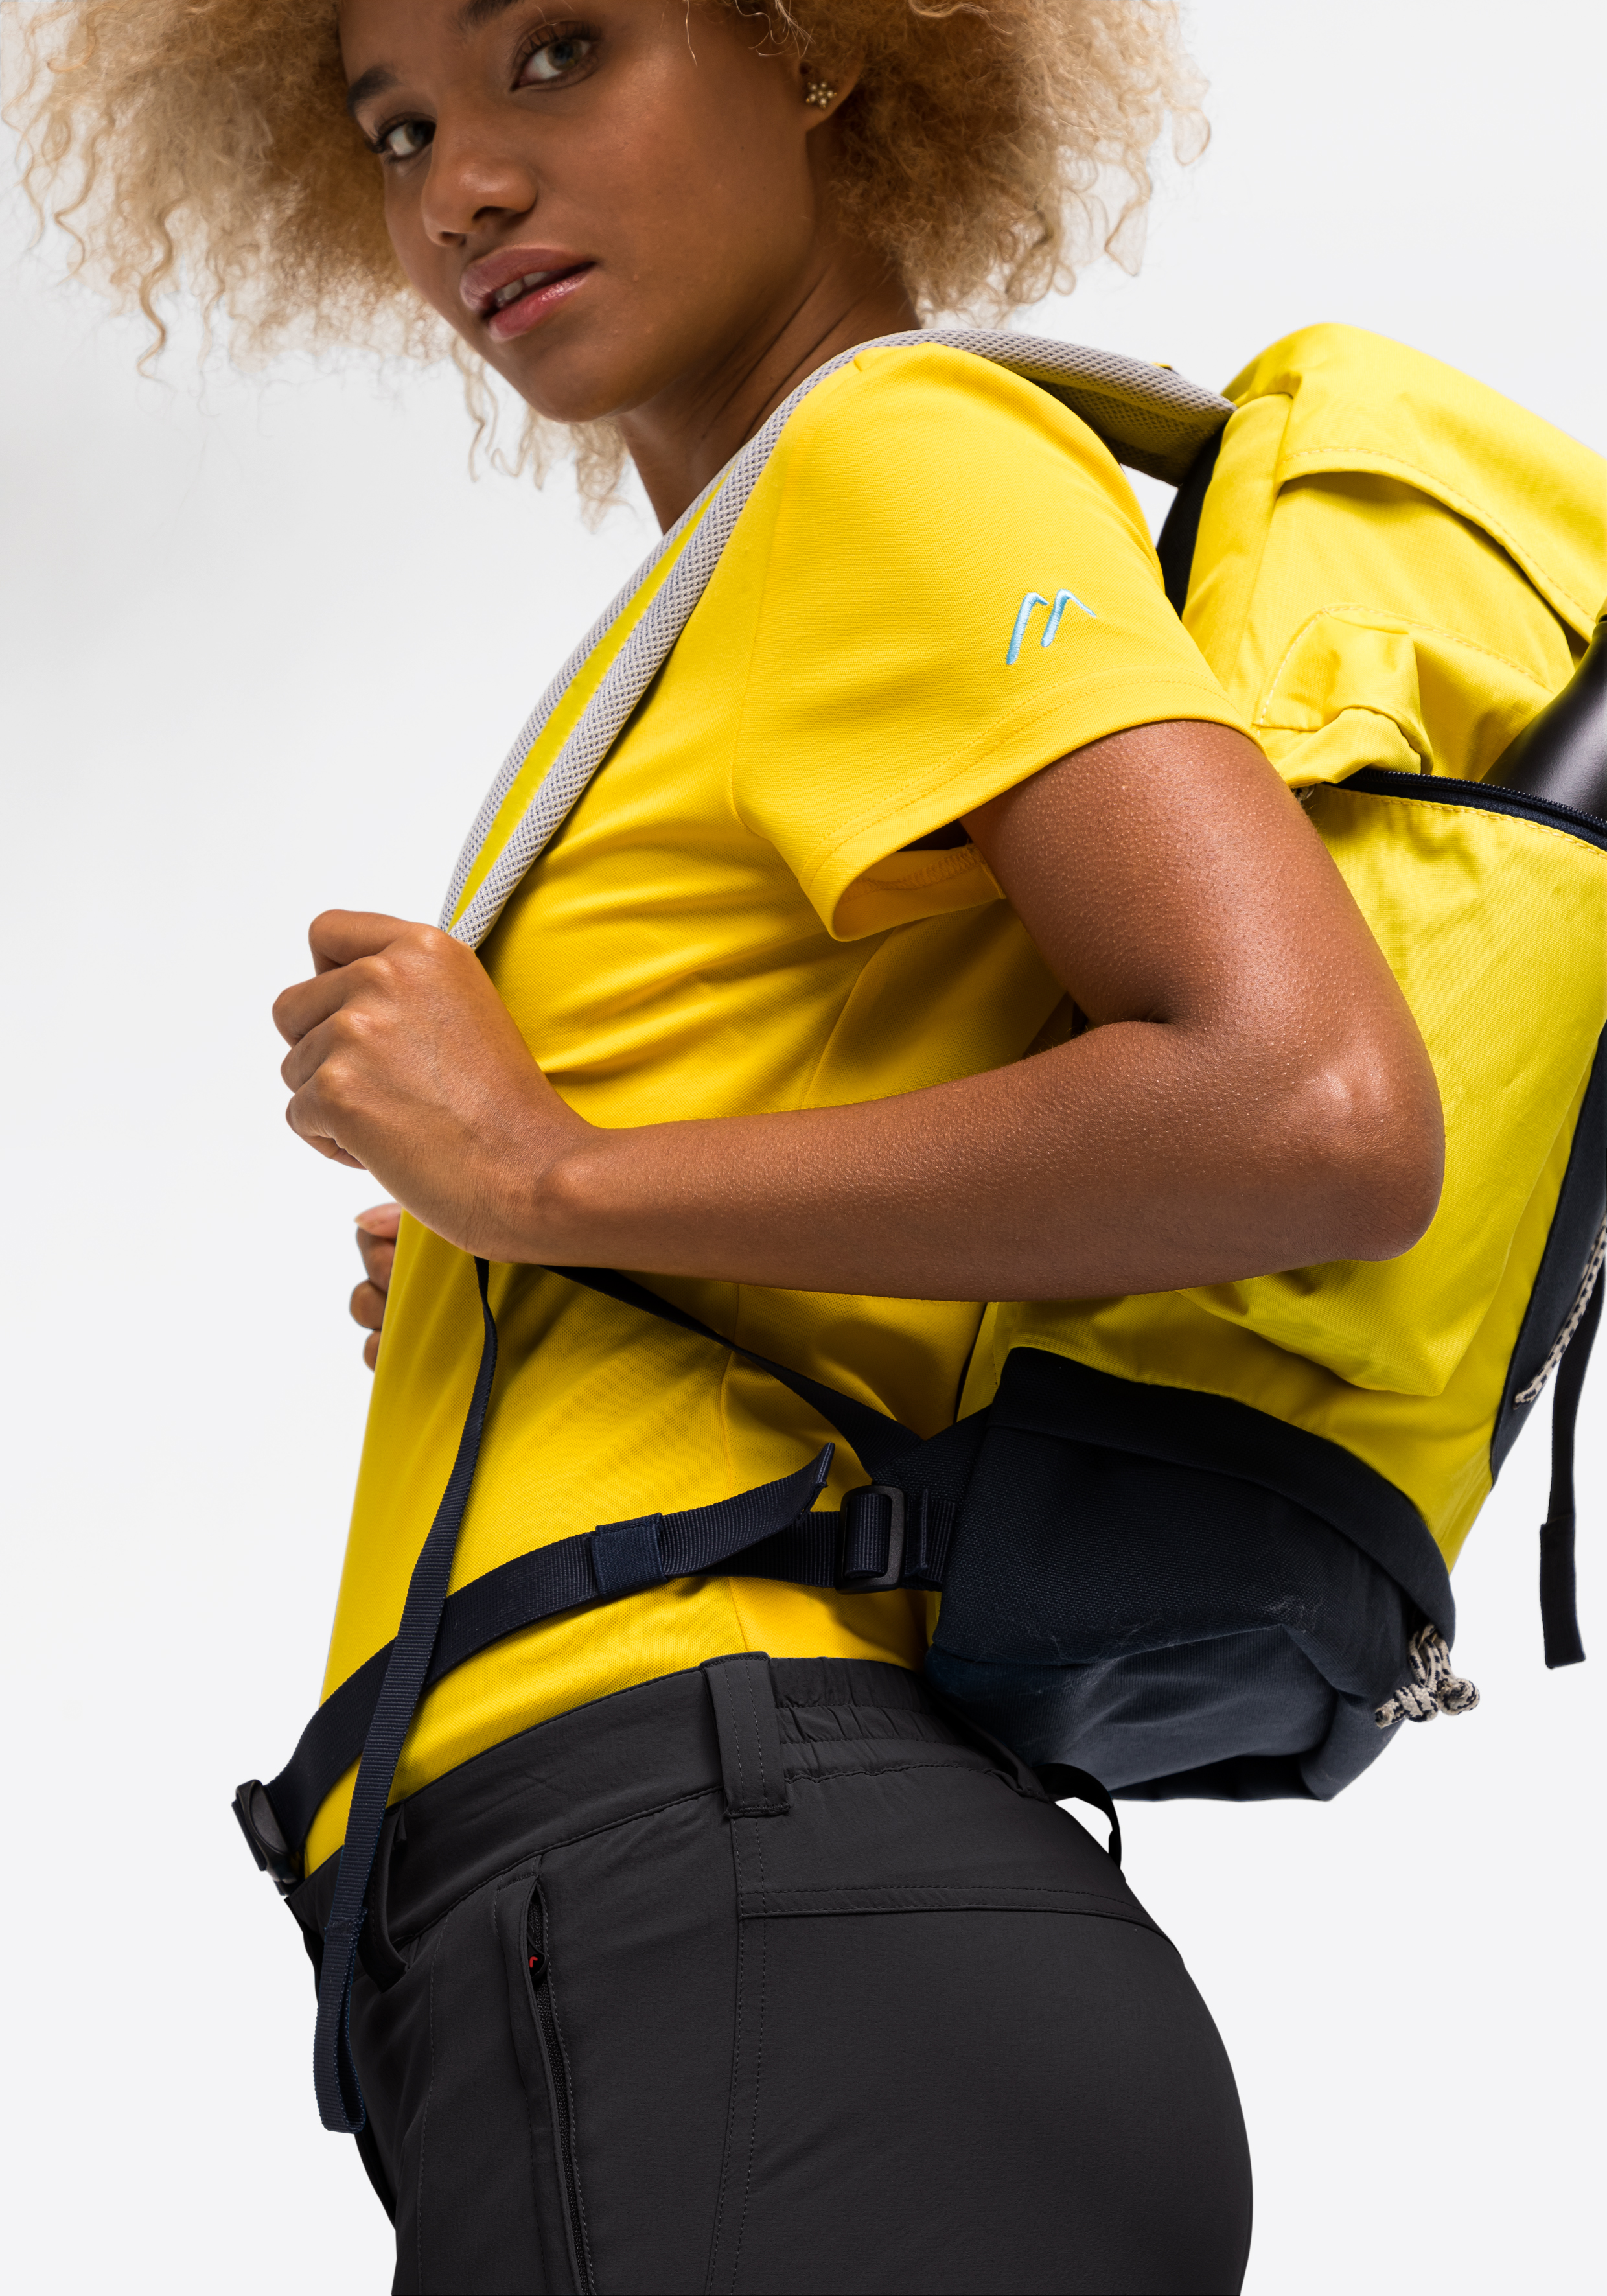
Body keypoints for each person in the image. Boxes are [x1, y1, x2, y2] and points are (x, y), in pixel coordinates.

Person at [14, 3, 1446, 2289]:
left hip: (736, 1898)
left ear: (819, 51)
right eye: (397, 127)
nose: (460, 186)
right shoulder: (757, 566)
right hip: (717, 1922)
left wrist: (546, 1183)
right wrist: (548, 1263)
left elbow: (1313, 1108)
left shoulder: (897, 455)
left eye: (555, 51)